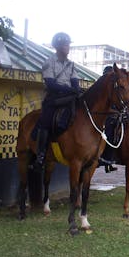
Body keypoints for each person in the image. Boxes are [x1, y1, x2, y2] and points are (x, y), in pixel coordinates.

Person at [33, 32, 80, 170]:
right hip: (54, 97)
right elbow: (50, 83)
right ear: (58, 47)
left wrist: (76, 89)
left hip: (69, 96)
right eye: (65, 45)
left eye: (68, 45)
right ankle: (40, 156)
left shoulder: (71, 65)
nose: (68, 47)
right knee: (45, 121)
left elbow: (75, 81)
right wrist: (68, 89)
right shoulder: (50, 62)